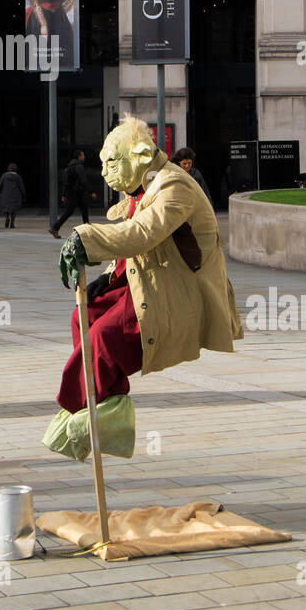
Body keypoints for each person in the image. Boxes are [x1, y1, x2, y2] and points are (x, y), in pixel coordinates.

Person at [45, 115, 242, 461]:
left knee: (105, 336)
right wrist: (107, 275)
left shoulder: (173, 187)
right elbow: (134, 241)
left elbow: (143, 233)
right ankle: (104, 403)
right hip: (146, 281)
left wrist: (85, 237)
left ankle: (89, 410)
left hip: (176, 293)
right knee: (83, 318)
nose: (105, 173)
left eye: (112, 163)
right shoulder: (144, 186)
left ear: (138, 156)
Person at [50, 149, 96, 237]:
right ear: (79, 156)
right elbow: (83, 180)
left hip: (71, 192)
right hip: (77, 192)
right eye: (83, 155)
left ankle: (87, 229)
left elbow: (66, 182)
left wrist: (64, 194)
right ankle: (55, 228)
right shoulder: (79, 166)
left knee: (81, 209)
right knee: (76, 210)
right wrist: (91, 191)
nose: (84, 157)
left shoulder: (69, 167)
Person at [0, 162, 26, 229]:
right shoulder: (18, 176)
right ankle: (12, 223)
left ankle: (7, 217)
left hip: (5, 194)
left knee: (5, 208)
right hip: (15, 195)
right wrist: (24, 196)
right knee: (14, 209)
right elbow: (21, 187)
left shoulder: (4, 175)